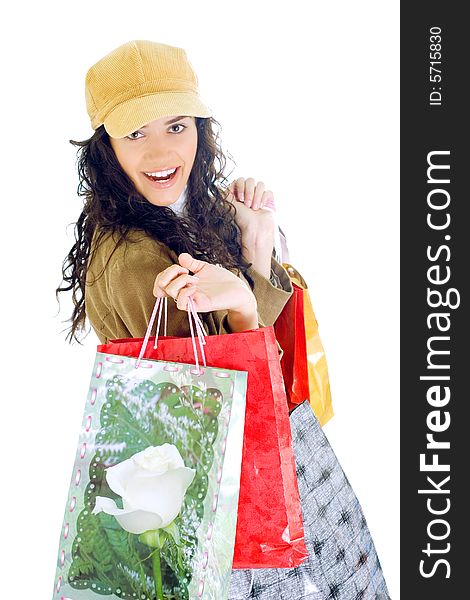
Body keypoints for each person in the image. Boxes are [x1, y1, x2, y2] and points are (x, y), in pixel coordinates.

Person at [57, 40, 390, 599]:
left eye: (177, 124)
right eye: (135, 133)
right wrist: (242, 291)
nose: (161, 151)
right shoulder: (138, 259)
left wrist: (255, 246)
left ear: (201, 128)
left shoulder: (189, 212)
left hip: (246, 487)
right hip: (223, 508)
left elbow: (260, 359)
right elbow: (225, 404)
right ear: (105, 148)